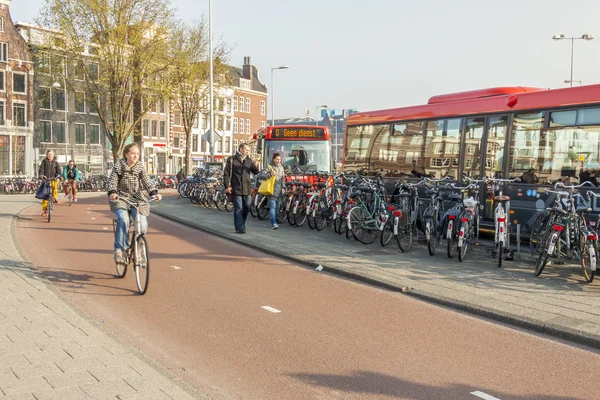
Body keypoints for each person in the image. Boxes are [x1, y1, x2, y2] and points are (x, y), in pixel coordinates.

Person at [108, 143, 162, 265]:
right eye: (132, 153)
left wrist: (154, 193)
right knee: (123, 220)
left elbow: (147, 181)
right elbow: (112, 181)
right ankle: (120, 250)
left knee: (142, 224)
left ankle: (138, 249)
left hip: (137, 199)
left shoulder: (140, 167)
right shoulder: (119, 166)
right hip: (121, 198)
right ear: (126, 154)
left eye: (137, 154)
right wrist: (113, 192)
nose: (135, 156)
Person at [224, 143, 260, 233]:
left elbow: (255, 172)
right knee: (238, 208)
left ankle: (242, 223)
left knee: (247, 207)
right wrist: (227, 186)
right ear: (241, 149)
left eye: (248, 150)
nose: (248, 152)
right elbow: (226, 173)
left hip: (247, 188)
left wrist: (256, 165)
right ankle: (239, 227)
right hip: (236, 187)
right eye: (246, 150)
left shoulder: (248, 160)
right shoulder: (232, 159)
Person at [259, 153, 285, 229]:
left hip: (279, 191)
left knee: (277, 207)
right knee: (272, 207)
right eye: (277, 159)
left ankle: (275, 221)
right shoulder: (269, 167)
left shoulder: (281, 167)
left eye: (279, 159)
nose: (278, 161)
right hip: (271, 190)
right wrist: (270, 174)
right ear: (273, 159)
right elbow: (261, 175)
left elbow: (283, 178)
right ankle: (273, 223)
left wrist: (283, 187)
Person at [38, 150, 61, 217]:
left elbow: (59, 171)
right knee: (45, 195)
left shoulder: (56, 163)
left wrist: (60, 176)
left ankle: (55, 197)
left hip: (53, 179)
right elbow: (41, 169)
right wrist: (41, 175)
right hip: (46, 179)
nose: (49, 155)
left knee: (54, 188)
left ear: (53, 155)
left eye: (51, 154)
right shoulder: (44, 162)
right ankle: (45, 211)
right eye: (48, 154)